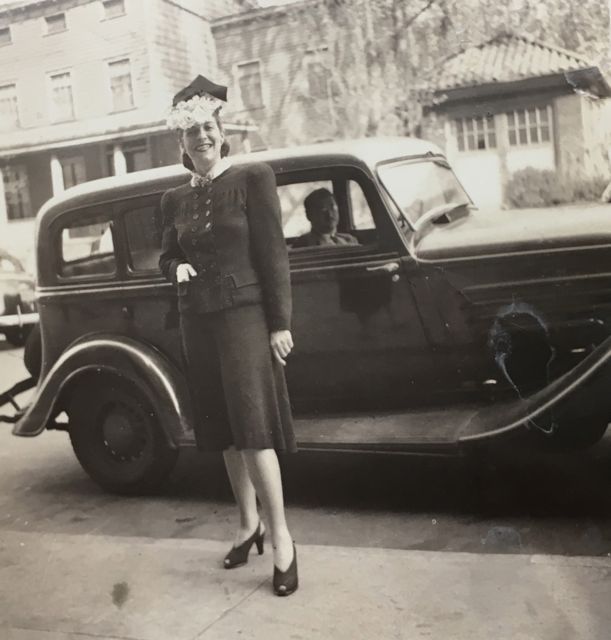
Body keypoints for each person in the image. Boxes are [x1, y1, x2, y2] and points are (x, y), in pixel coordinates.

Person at [158, 75, 298, 597]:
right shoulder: (173, 199)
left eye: (208, 127)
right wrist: (174, 268)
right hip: (199, 322)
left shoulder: (252, 179)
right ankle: (247, 525)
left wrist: (280, 322)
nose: (202, 137)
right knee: (221, 431)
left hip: (245, 318)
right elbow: (167, 253)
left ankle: (283, 539)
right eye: (191, 131)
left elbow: (274, 254)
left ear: (222, 132)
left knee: (255, 429)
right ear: (182, 144)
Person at [292, 187, 359, 247]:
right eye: (323, 210)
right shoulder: (302, 244)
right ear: (309, 216)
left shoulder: (349, 240)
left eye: (333, 207)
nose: (330, 214)